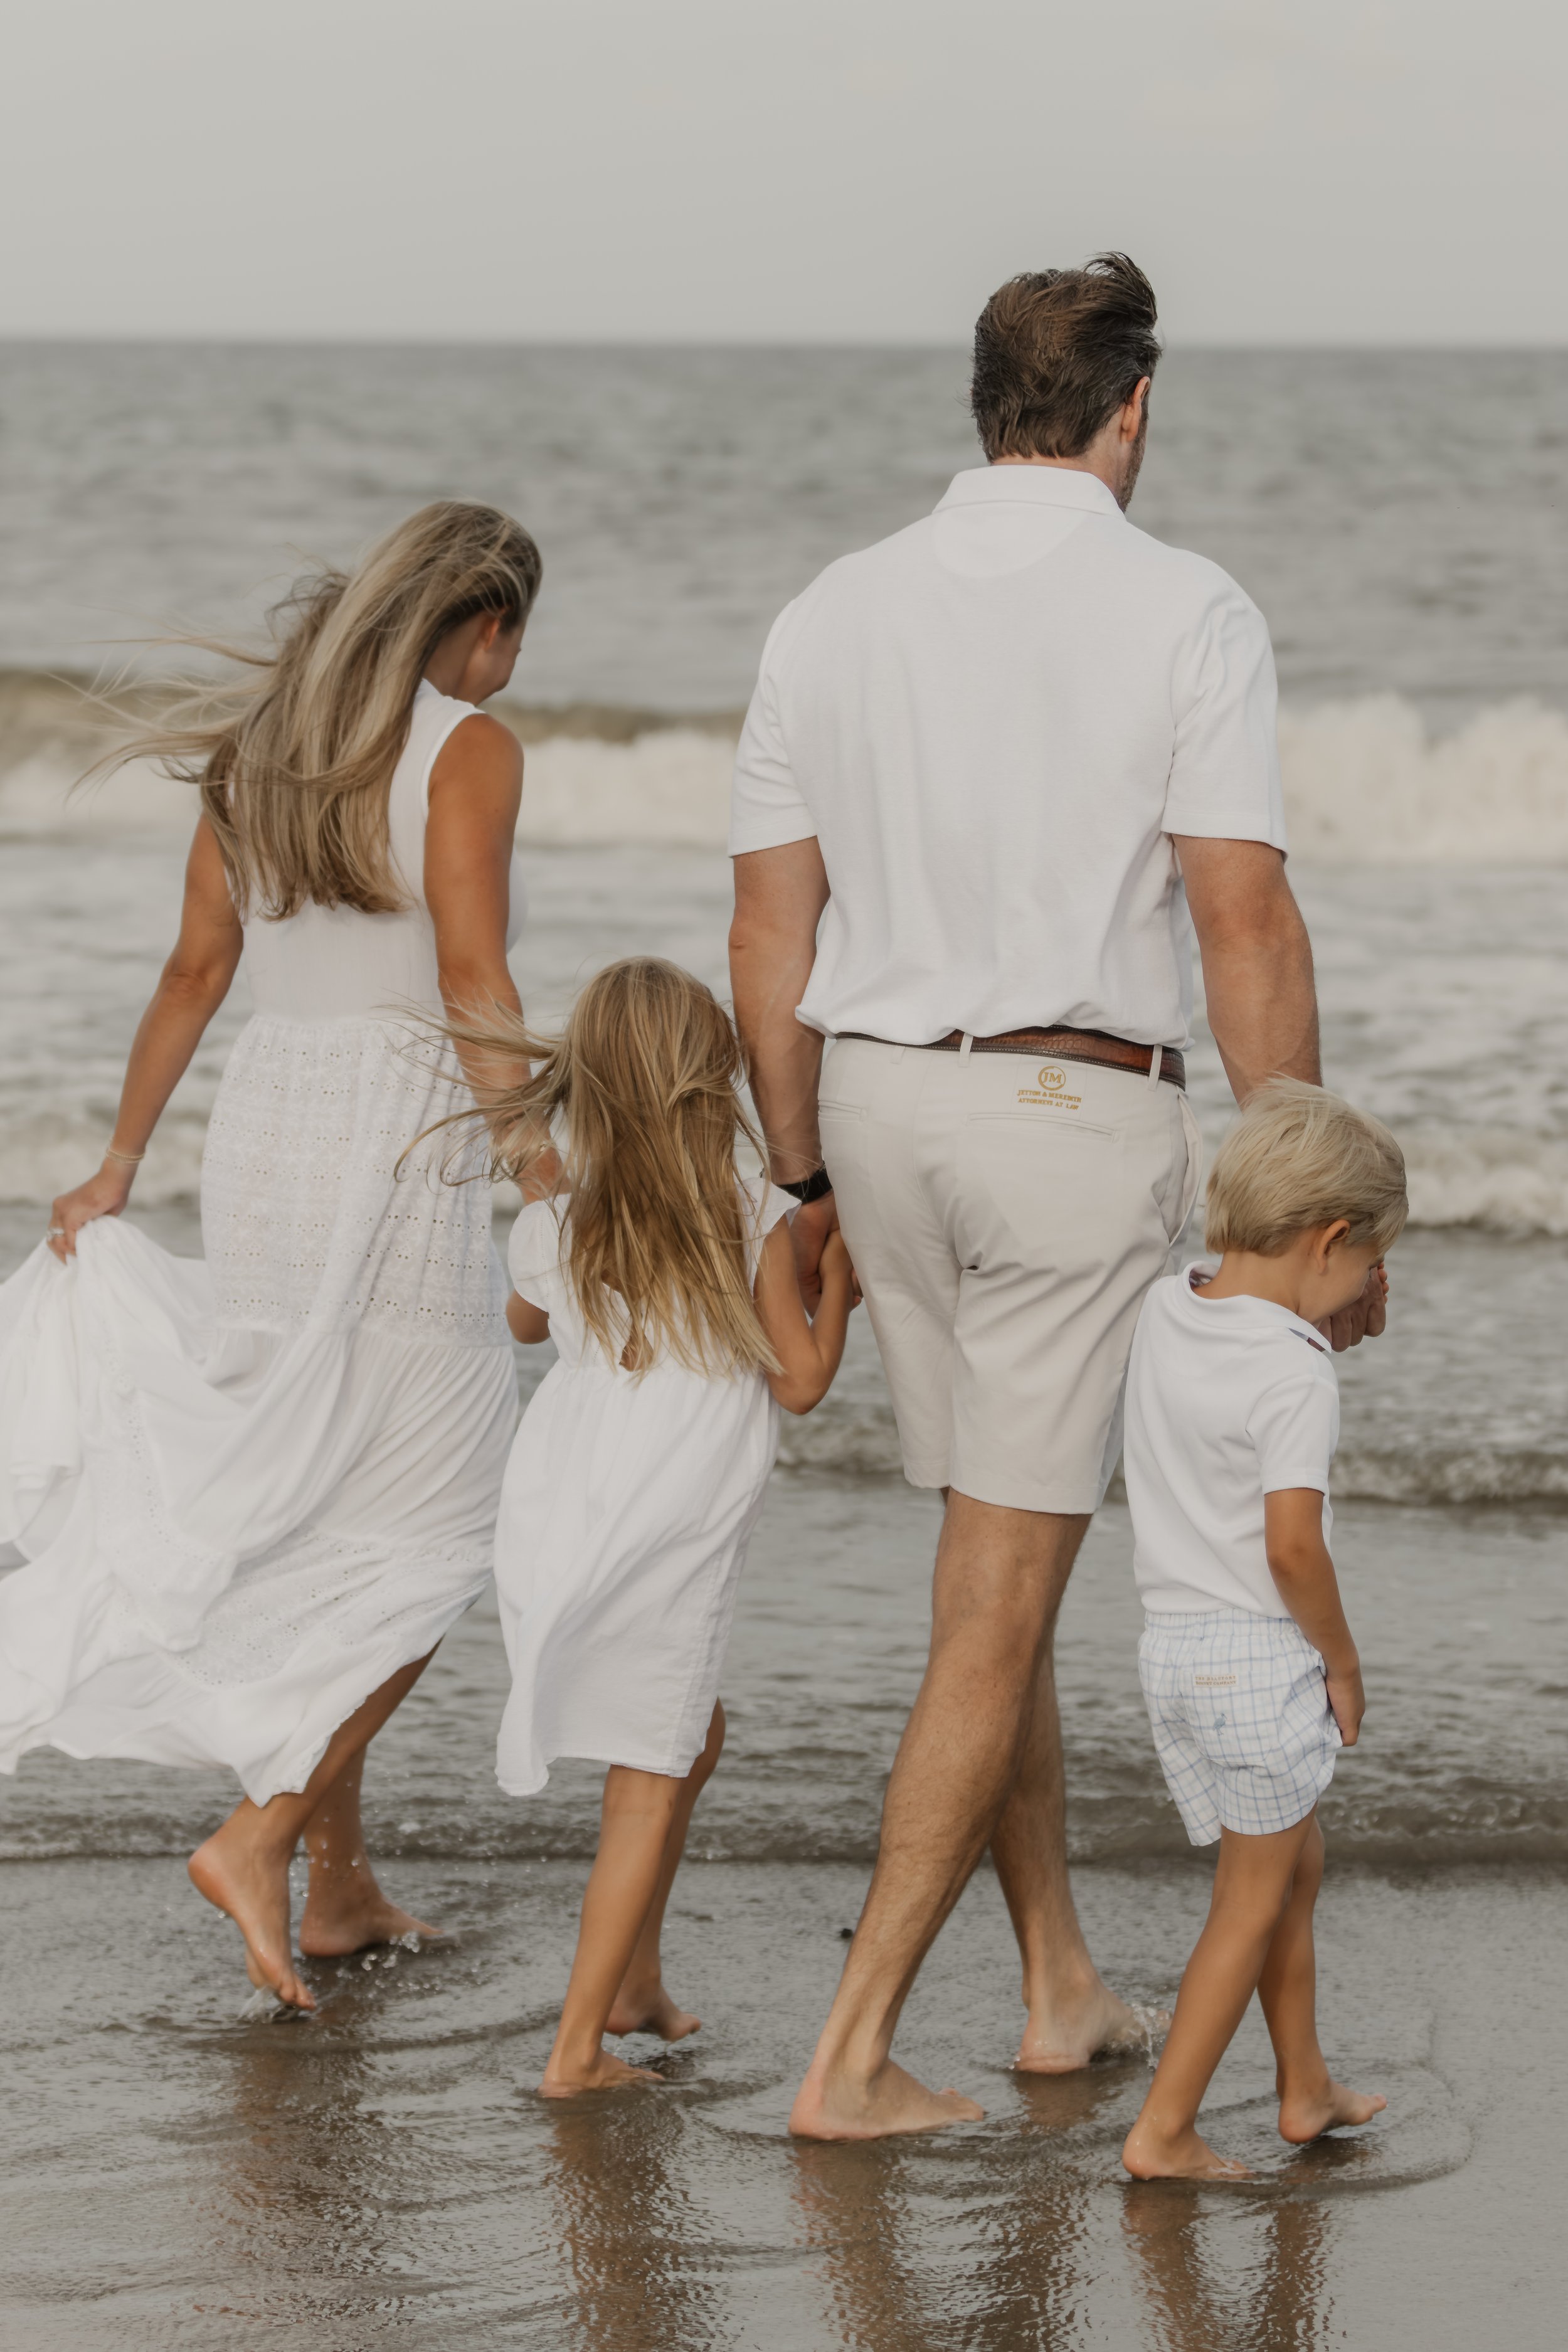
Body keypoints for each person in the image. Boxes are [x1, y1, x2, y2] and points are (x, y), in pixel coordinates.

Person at [728, 255, 1387, 2140]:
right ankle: (848, 2052)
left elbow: (768, 926)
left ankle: (1051, 1985)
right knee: (995, 1598)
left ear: (982, 403)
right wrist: (1302, 1214)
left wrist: (799, 1169)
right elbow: (1241, 910)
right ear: (1132, 406)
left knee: (981, 1567)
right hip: (1061, 1118)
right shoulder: (1183, 603)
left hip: (874, 1107)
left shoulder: (831, 608)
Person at [0, 501, 540, 2011]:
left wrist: (119, 1161)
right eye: (509, 640)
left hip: (265, 1132)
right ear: (481, 625)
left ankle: (339, 1889)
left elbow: (194, 969)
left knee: (325, 1510)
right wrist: (548, 1183)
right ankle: (263, 1834)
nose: (506, 669)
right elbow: (474, 977)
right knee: (438, 1525)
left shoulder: (263, 753)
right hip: (393, 1131)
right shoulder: (469, 749)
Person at [462, 958, 855, 2095]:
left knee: (692, 1728)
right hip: (674, 1507)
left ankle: (633, 1983)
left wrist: (556, 1216)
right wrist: (843, 1287)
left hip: (568, 1503)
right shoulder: (749, 1214)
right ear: (708, 1079)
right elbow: (798, 1383)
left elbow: (526, 1324)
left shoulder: (559, 1219)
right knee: (651, 1758)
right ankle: (576, 2051)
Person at [1120, 1081, 1406, 2178]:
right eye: (1368, 1262)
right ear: (1333, 1239)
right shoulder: (1297, 1371)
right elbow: (1293, 1547)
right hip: (1258, 1655)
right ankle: (1166, 2127)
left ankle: (1303, 2083)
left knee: (1292, 1859)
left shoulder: (1164, 1301)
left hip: (1174, 1652)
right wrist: (1341, 1658)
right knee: (1248, 1901)